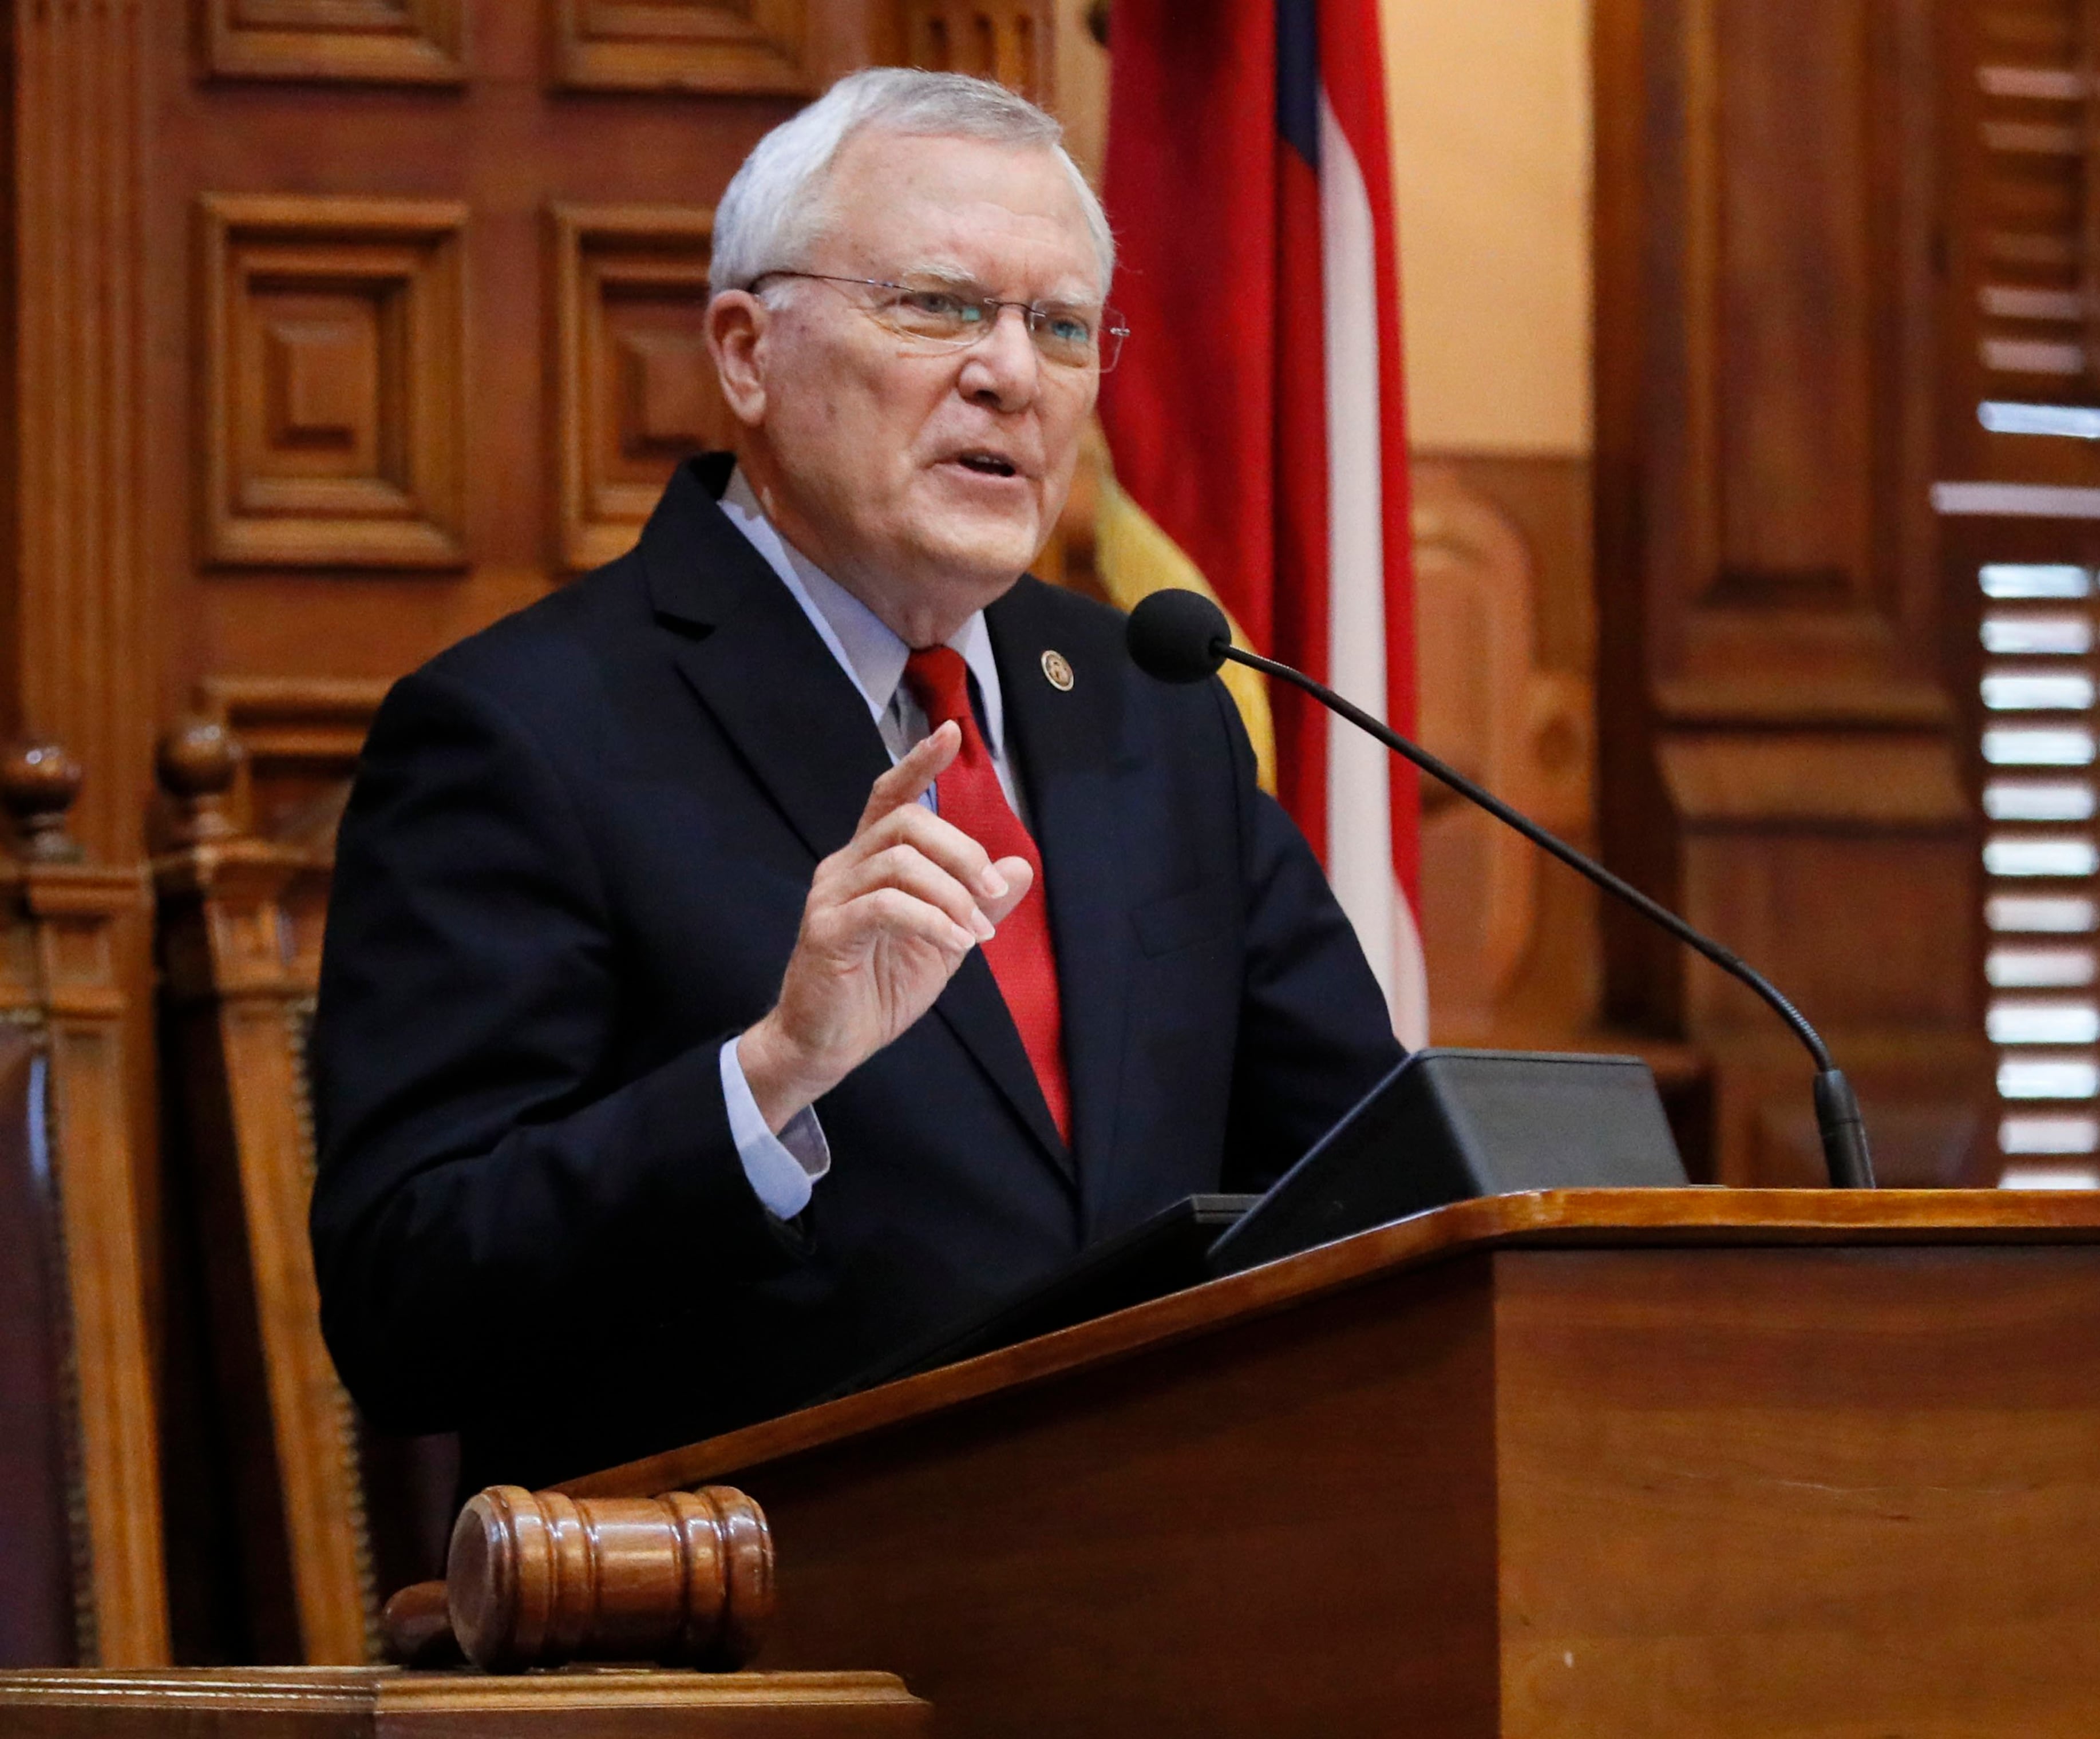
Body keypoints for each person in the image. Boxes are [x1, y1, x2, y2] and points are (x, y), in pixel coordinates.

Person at [309, 68, 1404, 1491]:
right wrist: (770, 1077)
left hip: (1162, 1584)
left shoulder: (1153, 704)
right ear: (748, 351)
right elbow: (407, 1312)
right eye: (938, 306)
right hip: (752, 1626)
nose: (1013, 370)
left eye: (1062, 326)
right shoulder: (522, 731)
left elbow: (1368, 1171)